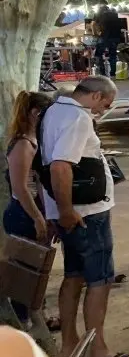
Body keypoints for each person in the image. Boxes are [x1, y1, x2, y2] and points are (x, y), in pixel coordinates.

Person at [40, 76, 129, 357]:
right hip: (86, 214)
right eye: (106, 105)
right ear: (95, 96)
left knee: (74, 275)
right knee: (100, 280)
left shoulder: (54, 110)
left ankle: (70, 344)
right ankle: (97, 351)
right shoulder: (77, 117)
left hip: (73, 212)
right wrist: (67, 209)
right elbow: (60, 166)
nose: (103, 112)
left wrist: (59, 211)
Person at [4, 91, 53, 323]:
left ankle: (37, 318)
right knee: (25, 276)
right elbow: (21, 187)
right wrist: (37, 217)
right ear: (36, 113)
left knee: (36, 274)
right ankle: (23, 323)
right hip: (23, 213)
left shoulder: (33, 140)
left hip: (32, 211)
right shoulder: (23, 144)